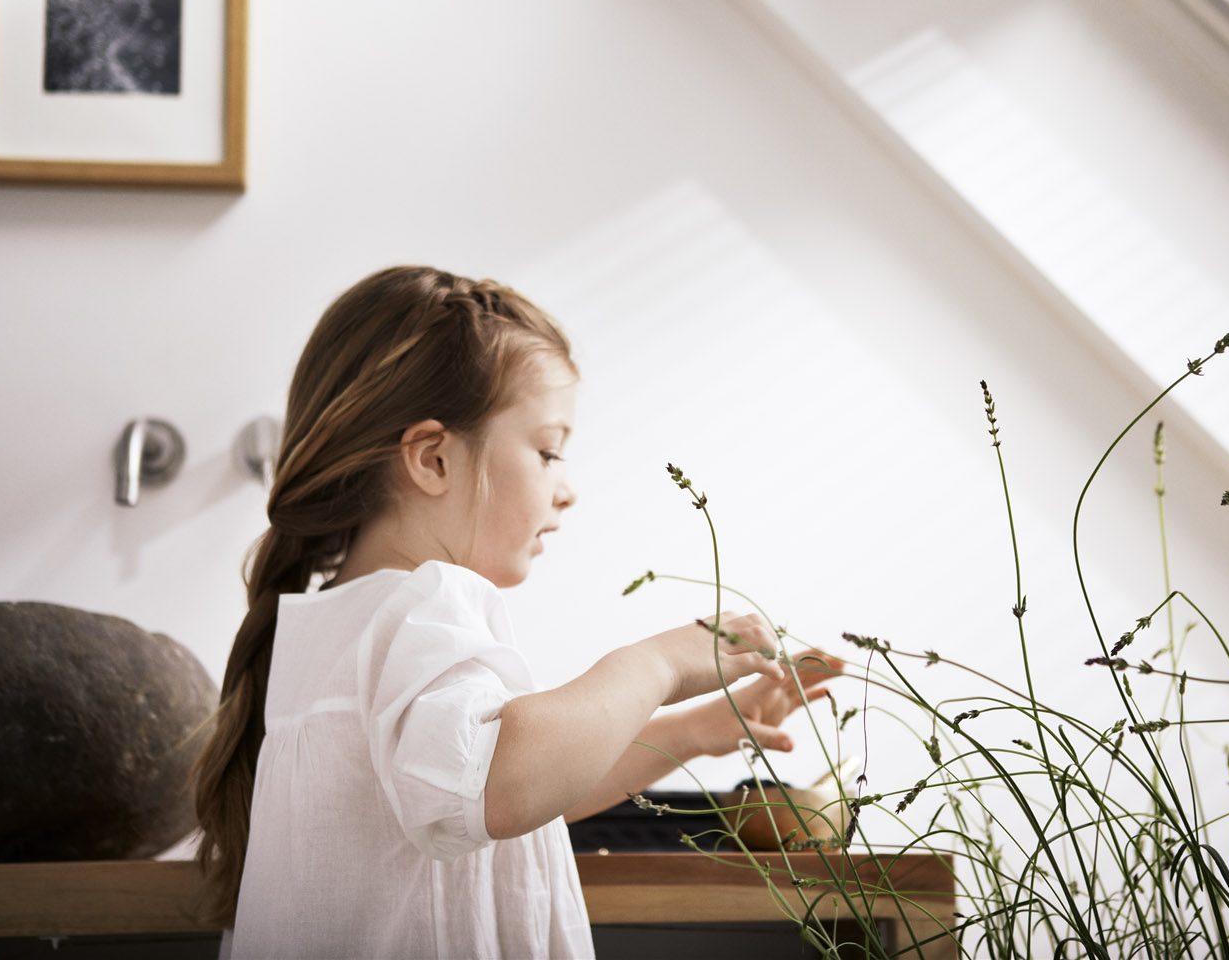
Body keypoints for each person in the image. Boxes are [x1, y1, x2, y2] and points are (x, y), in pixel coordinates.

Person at [189, 266, 837, 958]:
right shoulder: (423, 606)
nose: (568, 491)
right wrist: (659, 663)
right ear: (433, 458)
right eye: (549, 451)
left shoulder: (337, 628)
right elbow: (506, 785)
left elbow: (509, 801)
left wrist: (697, 730)